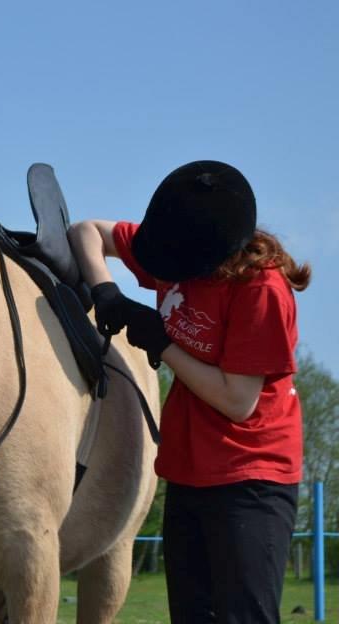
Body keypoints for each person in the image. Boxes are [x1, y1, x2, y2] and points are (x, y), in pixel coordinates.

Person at [68, 161, 311, 623]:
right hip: (188, 469)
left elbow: (238, 401)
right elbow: (86, 232)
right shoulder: (174, 249)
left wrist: (160, 340)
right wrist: (106, 293)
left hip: (251, 478)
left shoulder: (261, 290)